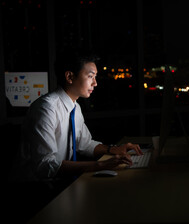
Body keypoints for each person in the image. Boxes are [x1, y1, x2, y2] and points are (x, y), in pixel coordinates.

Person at [8, 49, 143, 219]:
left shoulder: (74, 107)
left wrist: (114, 150)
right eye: (90, 76)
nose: (95, 83)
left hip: (54, 183)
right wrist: (98, 166)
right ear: (70, 77)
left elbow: (85, 144)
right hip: (30, 190)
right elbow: (44, 166)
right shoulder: (46, 109)